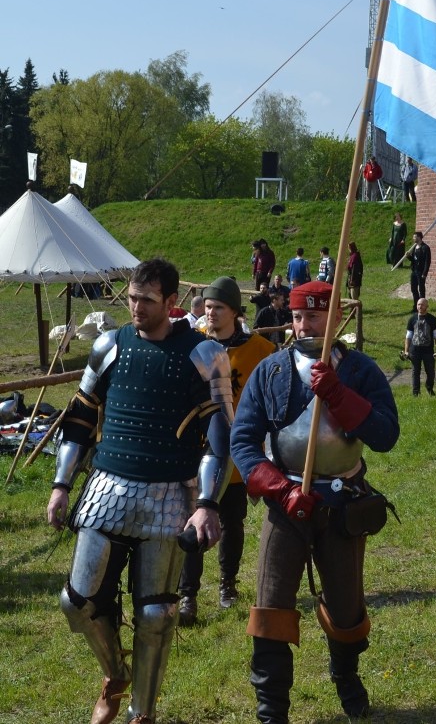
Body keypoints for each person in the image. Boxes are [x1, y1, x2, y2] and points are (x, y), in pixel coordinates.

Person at [45, 258, 233, 724]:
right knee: (76, 602)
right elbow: (80, 422)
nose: (135, 308)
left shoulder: (206, 355)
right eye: (131, 298)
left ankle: (141, 714)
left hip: (171, 495)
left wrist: (207, 503)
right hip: (107, 488)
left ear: (171, 302)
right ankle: (115, 674)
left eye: (146, 301)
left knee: (156, 615)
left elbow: (220, 438)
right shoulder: (110, 345)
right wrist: (60, 485)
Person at [229, 281, 400, 722]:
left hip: (343, 505)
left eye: (316, 316)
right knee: (270, 609)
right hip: (285, 505)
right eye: (300, 316)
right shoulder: (271, 371)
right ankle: (272, 710)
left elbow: (385, 436)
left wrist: (340, 395)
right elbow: (244, 443)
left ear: (336, 315)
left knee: (346, 611)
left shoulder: (361, 370)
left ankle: (346, 679)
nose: (306, 325)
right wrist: (281, 491)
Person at [178, 278, 276, 626]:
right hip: (200, 450)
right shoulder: (195, 347)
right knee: (193, 519)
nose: (210, 313)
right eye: (207, 307)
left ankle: (227, 585)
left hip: (238, 451)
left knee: (232, 522)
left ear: (235, 311)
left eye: (217, 307)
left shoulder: (262, 350)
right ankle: (187, 594)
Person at [403, 298, 436, 396]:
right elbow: (408, 336)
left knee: (430, 372)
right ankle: (416, 393)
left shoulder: (432, 319)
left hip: (428, 351)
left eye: (422, 305)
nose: (420, 306)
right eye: (418, 304)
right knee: (415, 372)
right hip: (414, 351)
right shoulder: (412, 319)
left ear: (427, 306)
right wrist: (406, 351)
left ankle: (429, 388)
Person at [407, 231, 431, 311]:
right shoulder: (414, 247)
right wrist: (408, 256)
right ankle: (416, 306)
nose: (413, 238)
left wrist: (425, 273)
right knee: (413, 289)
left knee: (421, 289)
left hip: (421, 272)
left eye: (414, 237)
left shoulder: (425, 248)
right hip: (414, 271)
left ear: (419, 237)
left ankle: (423, 306)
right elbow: (414, 260)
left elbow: (427, 262)